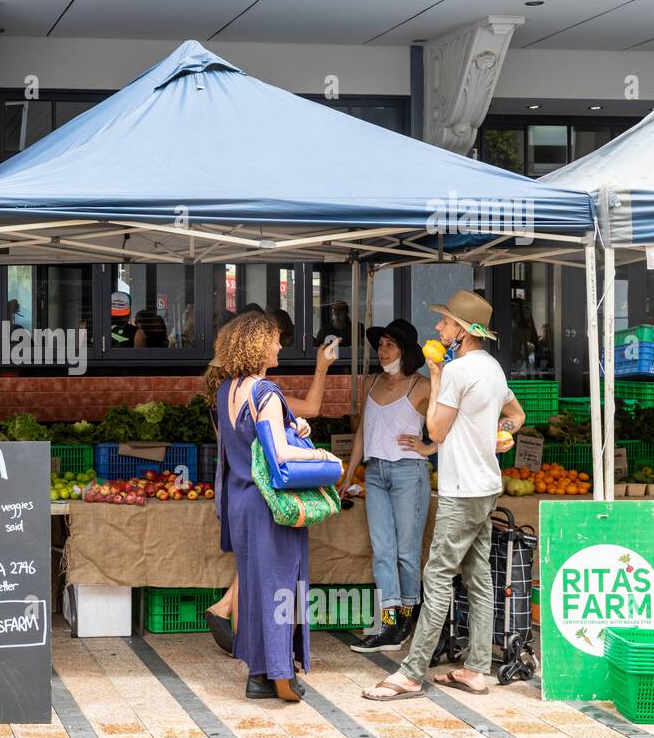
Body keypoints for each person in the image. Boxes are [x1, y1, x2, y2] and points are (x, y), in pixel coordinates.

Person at [363, 291, 525, 701]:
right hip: (486, 486)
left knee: (437, 577)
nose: (439, 328)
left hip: (461, 490)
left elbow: (434, 431)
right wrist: (501, 435)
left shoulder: (455, 371)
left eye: (446, 322)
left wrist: (436, 375)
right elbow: (517, 415)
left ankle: (412, 672)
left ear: (465, 330)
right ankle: (474, 669)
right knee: (478, 578)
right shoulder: (492, 368)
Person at [216, 311, 342, 702]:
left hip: (240, 502)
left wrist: (293, 427)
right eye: (273, 339)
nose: (279, 346)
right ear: (257, 344)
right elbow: (278, 454)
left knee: (254, 590)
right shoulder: (265, 391)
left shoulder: (226, 390)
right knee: (281, 588)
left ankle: (258, 675)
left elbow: (247, 440)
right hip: (270, 505)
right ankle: (281, 674)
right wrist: (322, 456)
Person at [339, 318, 435, 652]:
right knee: (383, 550)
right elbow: (363, 433)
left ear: (406, 351)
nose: (381, 350)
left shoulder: (422, 386)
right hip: (376, 473)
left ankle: (408, 618)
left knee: (407, 552)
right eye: (379, 345)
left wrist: (428, 447)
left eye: (389, 345)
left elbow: (451, 421)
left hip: (410, 472)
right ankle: (390, 623)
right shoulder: (373, 382)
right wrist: (350, 475)